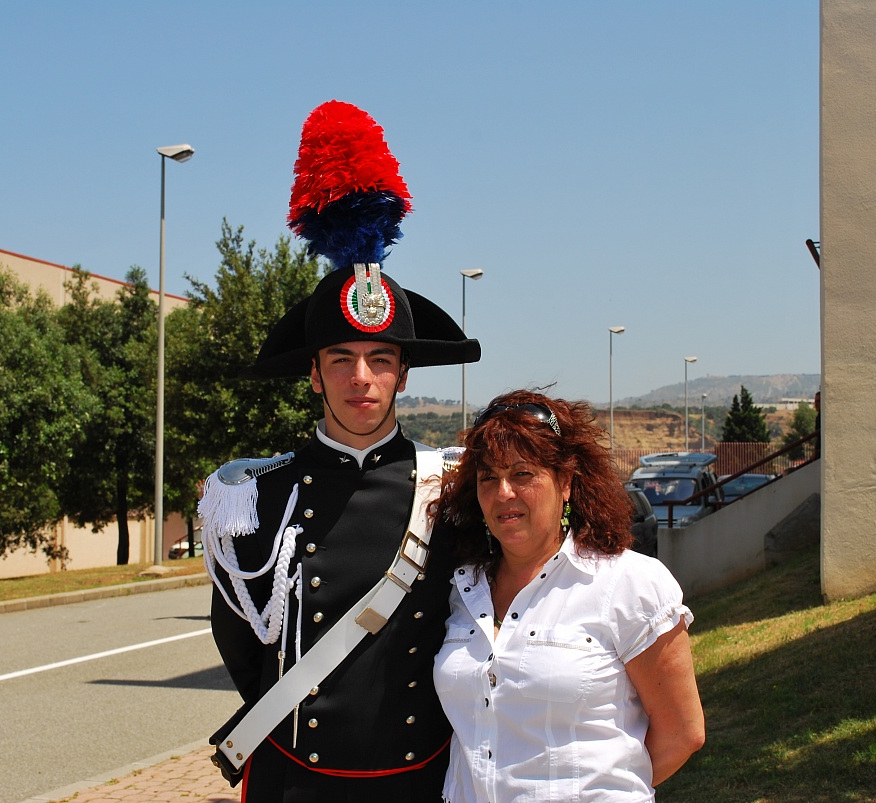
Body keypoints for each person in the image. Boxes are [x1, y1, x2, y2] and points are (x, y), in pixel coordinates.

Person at [202, 100, 480, 802]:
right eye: (342, 358)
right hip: (298, 783)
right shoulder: (256, 496)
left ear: (404, 374)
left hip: (423, 781)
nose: (362, 378)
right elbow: (240, 641)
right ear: (314, 370)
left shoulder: (450, 490)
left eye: (381, 359)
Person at [432, 390, 705, 801]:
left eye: (523, 474)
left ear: (566, 483)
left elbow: (683, 734)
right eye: (489, 477)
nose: (503, 492)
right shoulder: (462, 589)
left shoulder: (628, 583)